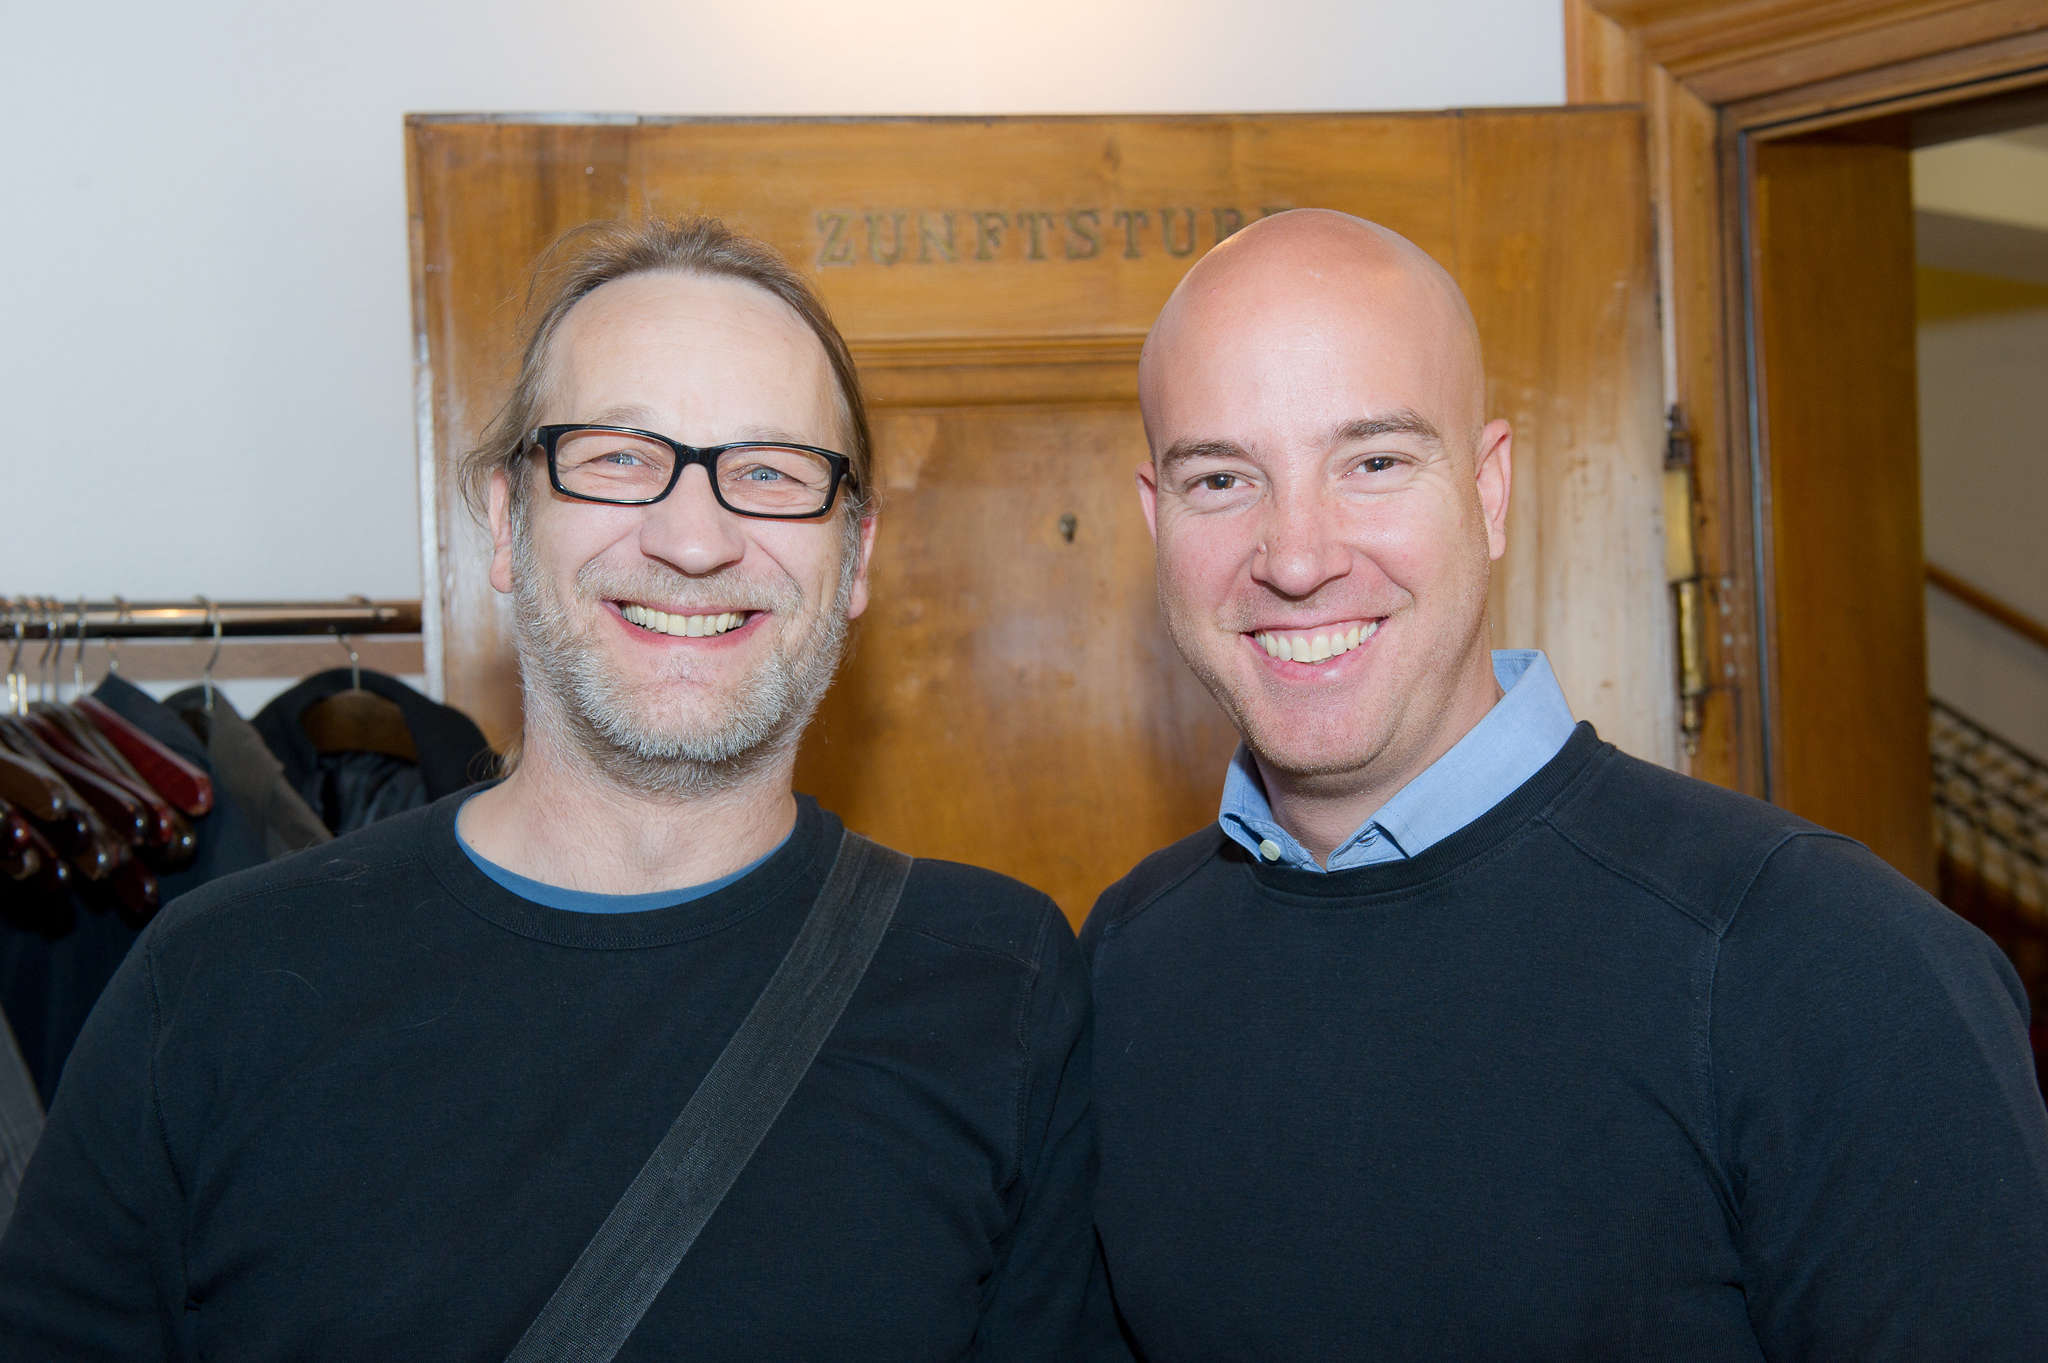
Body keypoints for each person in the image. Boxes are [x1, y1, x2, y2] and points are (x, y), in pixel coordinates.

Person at [0, 218, 1119, 1361]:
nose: (694, 538)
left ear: (857, 556)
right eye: (618, 456)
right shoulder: (214, 985)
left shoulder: (998, 984)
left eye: (770, 471)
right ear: (504, 520)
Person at [1083, 208, 2048, 1359]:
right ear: (1155, 519)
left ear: (1488, 490)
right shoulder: (1124, 957)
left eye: (1373, 462)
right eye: (1220, 479)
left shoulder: (1824, 958)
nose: (1295, 556)